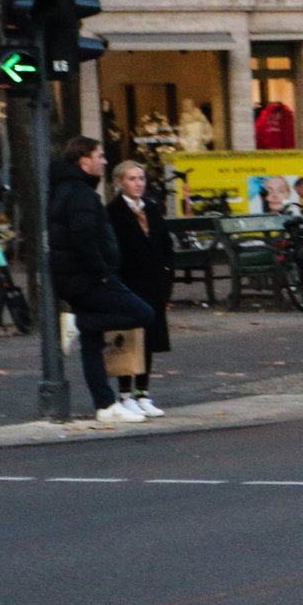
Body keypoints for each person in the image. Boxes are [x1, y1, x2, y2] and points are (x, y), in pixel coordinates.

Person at [47, 136, 153, 425]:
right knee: (142, 313)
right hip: (88, 278)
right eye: (100, 155)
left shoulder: (65, 189)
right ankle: (75, 324)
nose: (104, 161)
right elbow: (84, 239)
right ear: (85, 160)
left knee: (93, 344)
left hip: (75, 277)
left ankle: (105, 405)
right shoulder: (81, 193)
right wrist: (102, 273)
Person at [107, 160, 174, 417]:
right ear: (119, 182)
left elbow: (164, 242)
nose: (139, 183)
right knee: (127, 338)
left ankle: (143, 392)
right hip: (129, 281)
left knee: (149, 338)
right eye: (132, 179)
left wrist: (167, 270)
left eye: (141, 178)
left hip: (154, 281)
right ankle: (125, 393)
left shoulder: (153, 209)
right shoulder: (112, 212)